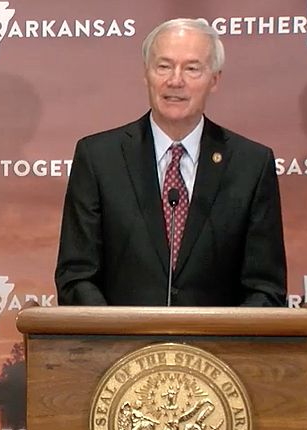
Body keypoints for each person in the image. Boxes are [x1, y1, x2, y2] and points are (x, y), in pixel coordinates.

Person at [55, 18, 286, 307]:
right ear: (146, 74)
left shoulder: (251, 164)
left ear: (214, 79)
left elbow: (265, 288)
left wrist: (220, 346)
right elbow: (76, 275)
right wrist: (115, 339)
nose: (175, 81)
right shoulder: (99, 157)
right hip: (119, 349)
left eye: (192, 68)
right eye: (163, 66)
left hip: (218, 350)